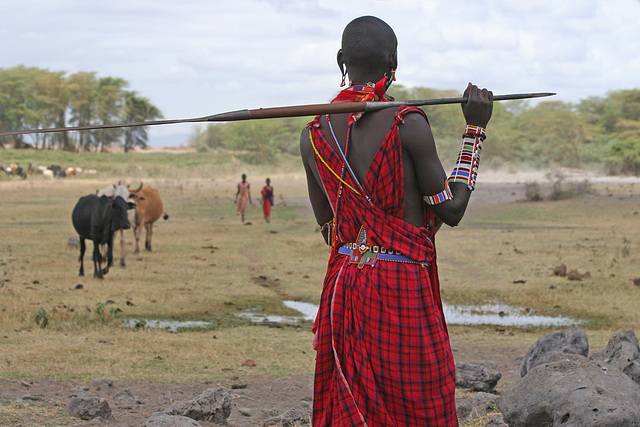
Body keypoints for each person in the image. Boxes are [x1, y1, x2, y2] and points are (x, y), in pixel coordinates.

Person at [299, 16, 493, 426]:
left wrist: (366, 237)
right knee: (420, 404)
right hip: (400, 287)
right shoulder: (409, 123)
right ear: (394, 60)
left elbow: (331, 232)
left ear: (340, 60)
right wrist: (474, 129)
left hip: (344, 288)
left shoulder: (313, 134)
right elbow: (451, 210)